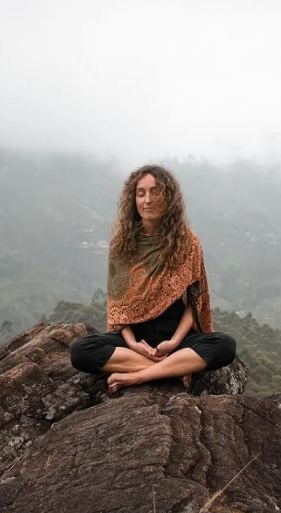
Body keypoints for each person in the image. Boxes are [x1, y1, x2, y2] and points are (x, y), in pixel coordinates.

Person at [70, 164, 236, 393]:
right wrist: (132, 344)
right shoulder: (122, 244)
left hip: (175, 337)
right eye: (141, 193)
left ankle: (138, 376)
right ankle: (174, 370)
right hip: (135, 339)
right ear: (133, 199)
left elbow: (195, 301)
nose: (147, 200)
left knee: (225, 346)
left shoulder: (187, 242)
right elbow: (118, 305)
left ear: (168, 198)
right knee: (81, 351)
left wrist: (175, 342)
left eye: (154, 192)